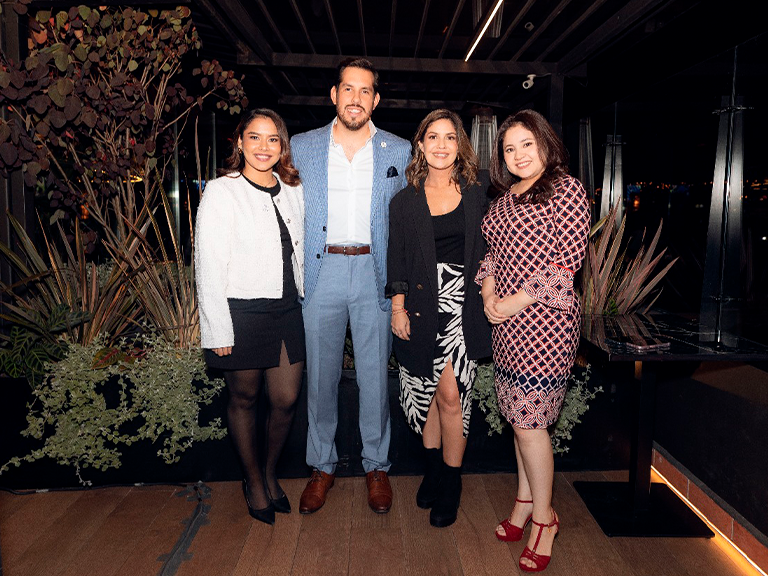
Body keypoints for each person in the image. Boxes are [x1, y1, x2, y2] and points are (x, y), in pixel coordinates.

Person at [290, 58, 410, 514]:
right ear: (334, 95)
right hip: (321, 271)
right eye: (348, 89)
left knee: (375, 376)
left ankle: (376, 466)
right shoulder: (302, 146)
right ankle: (322, 465)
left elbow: (407, 217)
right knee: (320, 376)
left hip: (374, 272)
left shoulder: (399, 150)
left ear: (375, 100)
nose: (355, 98)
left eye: (365, 91)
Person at [476, 109, 589, 572]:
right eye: (509, 148)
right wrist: (489, 295)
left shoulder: (566, 189)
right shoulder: (503, 199)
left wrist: (512, 302)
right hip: (506, 324)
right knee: (517, 418)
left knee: (530, 423)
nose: (518, 155)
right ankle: (524, 502)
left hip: (546, 325)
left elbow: (566, 264)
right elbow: (492, 256)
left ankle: (544, 519)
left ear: (545, 142)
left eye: (527, 143)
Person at [195, 108, 305, 525]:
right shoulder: (222, 191)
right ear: (240, 142)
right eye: (254, 137)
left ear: (282, 146)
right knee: (244, 398)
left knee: (286, 399)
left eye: (272, 139)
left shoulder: (292, 189)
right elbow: (207, 264)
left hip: (287, 308)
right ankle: (253, 480)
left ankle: (271, 471)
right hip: (241, 311)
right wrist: (217, 328)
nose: (263, 146)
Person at [386, 109, 491, 527]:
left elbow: (495, 247)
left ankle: (451, 482)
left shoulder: (479, 193)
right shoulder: (404, 201)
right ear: (421, 145)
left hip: (464, 308)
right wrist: (397, 308)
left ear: (459, 145)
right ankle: (433, 471)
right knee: (426, 396)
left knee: (451, 395)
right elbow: (397, 259)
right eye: (433, 137)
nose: (441, 145)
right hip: (420, 307)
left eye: (449, 137)